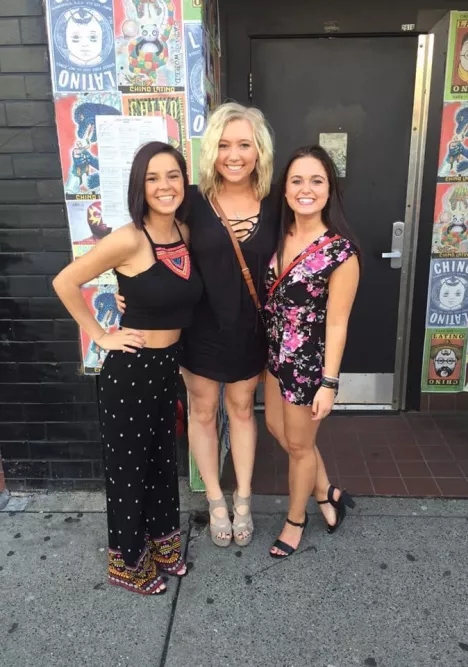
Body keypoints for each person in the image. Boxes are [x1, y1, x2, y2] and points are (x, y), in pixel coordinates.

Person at [117, 102, 276, 548]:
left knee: (242, 411)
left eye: (244, 144)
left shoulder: (276, 201)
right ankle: (216, 501)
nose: (234, 155)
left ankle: (243, 498)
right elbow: (147, 241)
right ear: (211, 151)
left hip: (250, 330)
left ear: (259, 150)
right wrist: (127, 290)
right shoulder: (191, 199)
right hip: (199, 327)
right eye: (223, 145)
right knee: (203, 412)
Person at [53, 142, 203, 594]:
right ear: (140, 186)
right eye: (152, 178)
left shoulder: (184, 231)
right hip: (131, 371)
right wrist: (101, 335)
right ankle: (127, 563)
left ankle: (162, 545)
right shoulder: (129, 238)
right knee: (129, 469)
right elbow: (65, 281)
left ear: (184, 181)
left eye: (172, 175)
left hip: (166, 367)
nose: (164, 186)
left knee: (161, 462)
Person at [264, 145, 360, 558]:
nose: (306, 189)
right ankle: (326, 491)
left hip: (308, 366)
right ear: (285, 190)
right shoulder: (278, 235)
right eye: (297, 181)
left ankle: (295, 520)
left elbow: (337, 324)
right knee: (277, 428)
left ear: (329, 189)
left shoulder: (340, 253)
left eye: (316, 181)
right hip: (274, 356)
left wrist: (329, 383)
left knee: (300, 447)